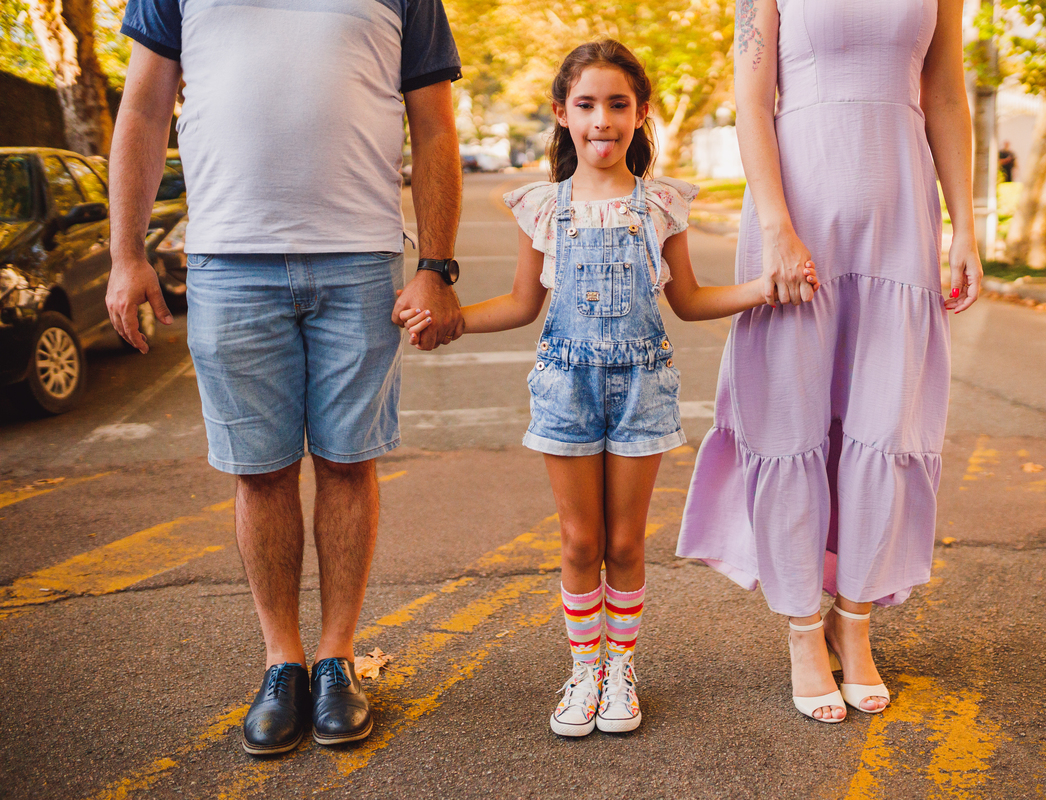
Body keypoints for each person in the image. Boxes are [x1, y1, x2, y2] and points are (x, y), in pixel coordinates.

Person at [400, 39, 817, 737]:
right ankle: (583, 669)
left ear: (641, 113)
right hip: (564, 386)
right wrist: (450, 323)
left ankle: (621, 669)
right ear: (562, 113)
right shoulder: (542, 207)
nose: (602, 119)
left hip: (642, 386)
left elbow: (687, 301)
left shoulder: (662, 204)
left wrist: (765, 290)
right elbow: (520, 305)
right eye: (586, 104)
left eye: (617, 105)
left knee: (624, 543)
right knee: (575, 540)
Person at [105, 0, 464, 755]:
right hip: (229, 262)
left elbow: (434, 125)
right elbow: (142, 108)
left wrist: (435, 266)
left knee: (345, 461)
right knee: (259, 471)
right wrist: (126, 255)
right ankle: (282, 663)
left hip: (360, 258)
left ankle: (336, 660)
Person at [676, 0, 983, 723]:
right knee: (790, 421)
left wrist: (966, 224)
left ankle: (855, 618)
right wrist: (777, 225)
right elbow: (752, 101)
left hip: (901, 219)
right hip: (800, 210)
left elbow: (944, 91)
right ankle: (802, 630)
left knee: (884, 422)